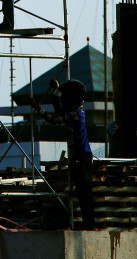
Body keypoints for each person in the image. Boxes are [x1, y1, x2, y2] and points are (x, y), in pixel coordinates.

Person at [30, 79, 97, 228]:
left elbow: (54, 118)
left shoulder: (75, 114)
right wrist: (56, 91)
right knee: (83, 193)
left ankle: (89, 225)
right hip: (80, 158)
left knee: (85, 193)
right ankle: (88, 224)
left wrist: (37, 108)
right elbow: (60, 111)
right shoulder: (75, 112)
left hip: (81, 158)